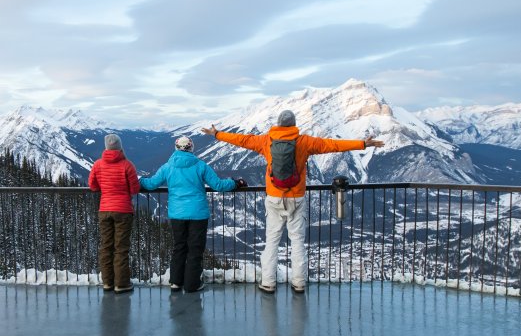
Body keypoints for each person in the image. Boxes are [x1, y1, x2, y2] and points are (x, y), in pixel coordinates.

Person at [201, 110, 384, 294]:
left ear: (279, 124)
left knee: (271, 241)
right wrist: (362, 144)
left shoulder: (266, 140)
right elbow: (332, 145)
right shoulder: (304, 142)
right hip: (296, 198)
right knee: (297, 242)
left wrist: (217, 134)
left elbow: (241, 139)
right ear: (293, 124)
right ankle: (298, 283)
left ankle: (268, 282)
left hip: (273, 198)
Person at [139, 135, 247, 293]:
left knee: (179, 247)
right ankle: (192, 284)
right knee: (195, 249)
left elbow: (151, 184)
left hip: (177, 214)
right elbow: (218, 185)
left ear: (176, 148)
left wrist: (140, 180)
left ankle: (176, 282)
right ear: (191, 148)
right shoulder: (200, 165)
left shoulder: (167, 167)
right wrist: (236, 183)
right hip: (198, 214)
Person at [89, 134, 141, 294]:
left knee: (106, 247)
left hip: (104, 210)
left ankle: (107, 283)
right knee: (121, 248)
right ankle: (121, 284)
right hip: (123, 210)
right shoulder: (127, 165)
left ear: (106, 147)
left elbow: (92, 185)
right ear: (120, 147)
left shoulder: (97, 165)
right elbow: (135, 189)